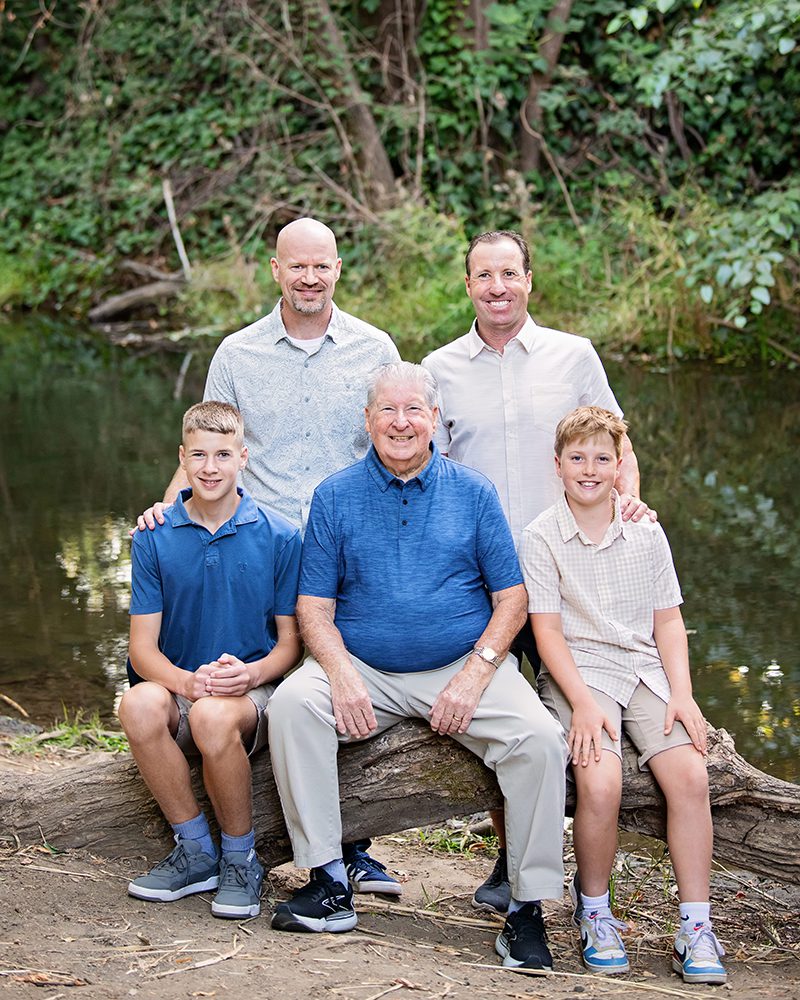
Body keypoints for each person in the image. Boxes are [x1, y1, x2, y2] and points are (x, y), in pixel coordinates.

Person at [266, 362, 568, 971]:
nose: (400, 423)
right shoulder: (335, 495)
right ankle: (328, 881)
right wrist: (342, 670)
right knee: (293, 706)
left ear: (435, 420)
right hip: (363, 669)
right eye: (387, 410)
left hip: (461, 664)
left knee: (539, 738)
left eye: (413, 411)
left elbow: (512, 599)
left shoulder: (474, 492)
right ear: (369, 420)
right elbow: (313, 609)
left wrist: (478, 670)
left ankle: (526, 908)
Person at [136, 217, 403, 895]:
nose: (310, 277)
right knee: (274, 690)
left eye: (322, 265)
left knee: (346, 692)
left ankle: (354, 845)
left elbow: (397, 449)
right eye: (297, 266)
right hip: (264, 549)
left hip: (350, 555)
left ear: (339, 268)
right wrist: (166, 512)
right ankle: (241, 840)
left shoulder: (375, 349)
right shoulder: (238, 353)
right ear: (275, 270)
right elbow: (212, 447)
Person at [422, 229, 652, 914]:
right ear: (468, 284)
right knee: (499, 719)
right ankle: (509, 856)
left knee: (576, 710)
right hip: (480, 579)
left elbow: (617, 445)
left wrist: (629, 510)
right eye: (484, 275)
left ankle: (585, 880)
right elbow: (428, 473)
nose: (498, 287)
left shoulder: (573, 355)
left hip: (568, 574)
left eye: (509, 273)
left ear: (529, 279)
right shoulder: (439, 368)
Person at [520, 405, 726, 984]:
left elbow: (666, 623)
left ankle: (695, 923)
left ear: (620, 466)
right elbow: (548, 632)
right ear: (557, 465)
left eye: (602, 459)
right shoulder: (541, 536)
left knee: (690, 775)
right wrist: (582, 704)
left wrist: (682, 694)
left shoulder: (645, 529)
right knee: (601, 781)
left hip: (643, 669)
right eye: (577, 458)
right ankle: (595, 912)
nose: (589, 469)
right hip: (579, 671)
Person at [120, 401, 303, 919]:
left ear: (244, 457)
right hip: (180, 684)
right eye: (198, 454)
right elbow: (141, 650)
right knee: (136, 706)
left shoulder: (281, 534)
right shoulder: (154, 535)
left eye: (223, 454)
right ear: (182, 457)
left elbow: (288, 645)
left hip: (250, 690)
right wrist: (186, 681)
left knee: (213, 714)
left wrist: (250, 675)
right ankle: (196, 849)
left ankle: (241, 859)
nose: (210, 467)